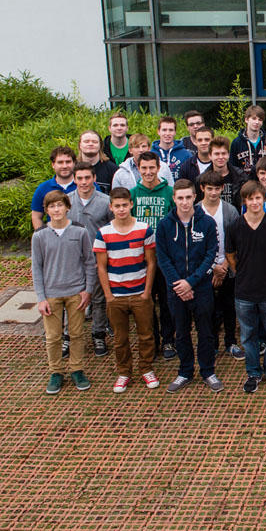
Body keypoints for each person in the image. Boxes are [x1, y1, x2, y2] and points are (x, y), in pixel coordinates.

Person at [156, 180, 222, 394]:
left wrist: (191, 282)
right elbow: (163, 258)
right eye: (180, 198)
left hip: (201, 287)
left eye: (188, 197)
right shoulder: (164, 225)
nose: (184, 202)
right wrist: (179, 285)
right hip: (175, 289)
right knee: (181, 332)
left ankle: (207, 371)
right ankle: (185, 371)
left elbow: (210, 254)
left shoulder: (207, 223)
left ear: (195, 197)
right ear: (173, 199)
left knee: (206, 331)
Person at [94, 187, 159, 393]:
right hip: (116, 295)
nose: (121, 209)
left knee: (146, 335)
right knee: (120, 338)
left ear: (131, 205)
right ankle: (124, 372)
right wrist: (108, 296)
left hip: (140, 292)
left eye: (125, 205)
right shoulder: (103, 233)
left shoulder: (144, 229)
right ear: (111, 207)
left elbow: (151, 262)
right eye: (117, 206)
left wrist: (147, 292)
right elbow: (101, 266)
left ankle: (146, 368)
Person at [32, 191, 97, 395]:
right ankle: (56, 372)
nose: (56, 210)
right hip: (51, 294)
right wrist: (41, 298)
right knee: (53, 337)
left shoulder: (80, 231)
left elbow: (89, 261)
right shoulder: (39, 235)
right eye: (52, 207)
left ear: (67, 207)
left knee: (76, 333)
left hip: (76, 292)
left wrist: (88, 290)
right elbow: (37, 268)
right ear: (47, 210)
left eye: (60, 205)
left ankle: (77, 369)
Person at [226, 181, 266, 393]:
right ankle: (253, 372)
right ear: (244, 201)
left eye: (258, 198)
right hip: (244, 291)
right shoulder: (235, 226)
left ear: (264, 199)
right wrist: (242, 271)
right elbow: (230, 255)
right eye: (250, 198)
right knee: (248, 336)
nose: (254, 202)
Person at [130, 152, 175, 358]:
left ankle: (168, 341)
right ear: (138, 169)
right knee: (146, 302)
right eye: (144, 168)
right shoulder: (133, 194)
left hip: (165, 257)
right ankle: (152, 341)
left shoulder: (169, 192)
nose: (148, 172)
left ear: (158, 168)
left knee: (166, 301)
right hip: (140, 259)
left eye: (152, 168)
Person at [196, 171, 243, 360]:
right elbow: (196, 245)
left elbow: (236, 241)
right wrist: (212, 267)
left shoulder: (230, 210)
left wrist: (224, 265)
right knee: (209, 309)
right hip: (206, 269)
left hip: (228, 266)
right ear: (202, 189)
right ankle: (212, 343)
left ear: (222, 189)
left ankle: (230, 342)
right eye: (209, 189)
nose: (213, 193)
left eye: (217, 189)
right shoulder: (196, 211)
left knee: (229, 306)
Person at [68, 162, 112, 358]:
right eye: (80, 178)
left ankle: (98, 334)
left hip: (97, 260)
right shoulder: (67, 202)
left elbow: (112, 231)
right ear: (74, 179)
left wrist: (105, 257)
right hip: (73, 261)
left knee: (99, 299)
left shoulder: (105, 202)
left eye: (87, 178)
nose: (84, 182)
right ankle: (69, 336)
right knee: (72, 299)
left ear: (94, 178)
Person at [31, 146, 76, 230]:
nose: (64, 166)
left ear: (74, 163)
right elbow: (36, 216)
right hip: (53, 237)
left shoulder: (86, 185)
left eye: (68, 162)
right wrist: (42, 236)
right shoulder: (43, 188)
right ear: (53, 165)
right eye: (60, 162)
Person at [77, 129, 118, 194]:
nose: (90, 144)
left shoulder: (112, 169)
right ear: (80, 145)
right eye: (86, 141)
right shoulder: (72, 168)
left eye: (94, 142)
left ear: (100, 146)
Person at [230, 104, 266, 175]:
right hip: (244, 183)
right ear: (246, 119)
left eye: (260, 119)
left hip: (264, 182)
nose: (257, 122)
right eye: (254, 118)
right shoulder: (237, 143)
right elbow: (232, 166)